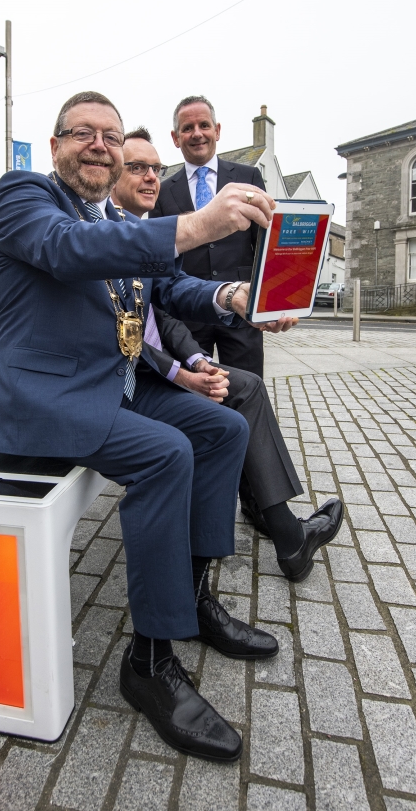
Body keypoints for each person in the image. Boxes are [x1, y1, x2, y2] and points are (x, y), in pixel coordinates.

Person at [0, 91, 296, 764]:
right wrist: (197, 225)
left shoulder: (111, 215)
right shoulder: (26, 197)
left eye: (110, 136)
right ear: (56, 143)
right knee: (165, 454)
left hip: (107, 392)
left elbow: (170, 289)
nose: (98, 144)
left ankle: (195, 597)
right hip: (41, 400)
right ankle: (148, 662)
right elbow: (68, 251)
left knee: (221, 428)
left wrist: (235, 297)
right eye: (81, 133)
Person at [111, 127, 343, 578]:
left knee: (246, 387)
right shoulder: (104, 234)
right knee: (232, 406)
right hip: (132, 384)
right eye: (136, 167)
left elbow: (166, 313)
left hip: (182, 348)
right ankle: (282, 538)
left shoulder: (139, 232)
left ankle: (280, 529)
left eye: (155, 168)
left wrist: (206, 344)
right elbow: (124, 335)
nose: (150, 177)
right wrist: (181, 375)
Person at [150, 96, 275, 530]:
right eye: (188, 128)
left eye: (204, 125)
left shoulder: (247, 177)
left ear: (218, 131)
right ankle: (198, 497)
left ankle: (255, 502)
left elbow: (264, 242)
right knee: (200, 402)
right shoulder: (163, 190)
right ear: (175, 138)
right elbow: (162, 256)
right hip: (188, 316)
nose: (197, 134)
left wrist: (265, 298)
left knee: (246, 399)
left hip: (239, 310)